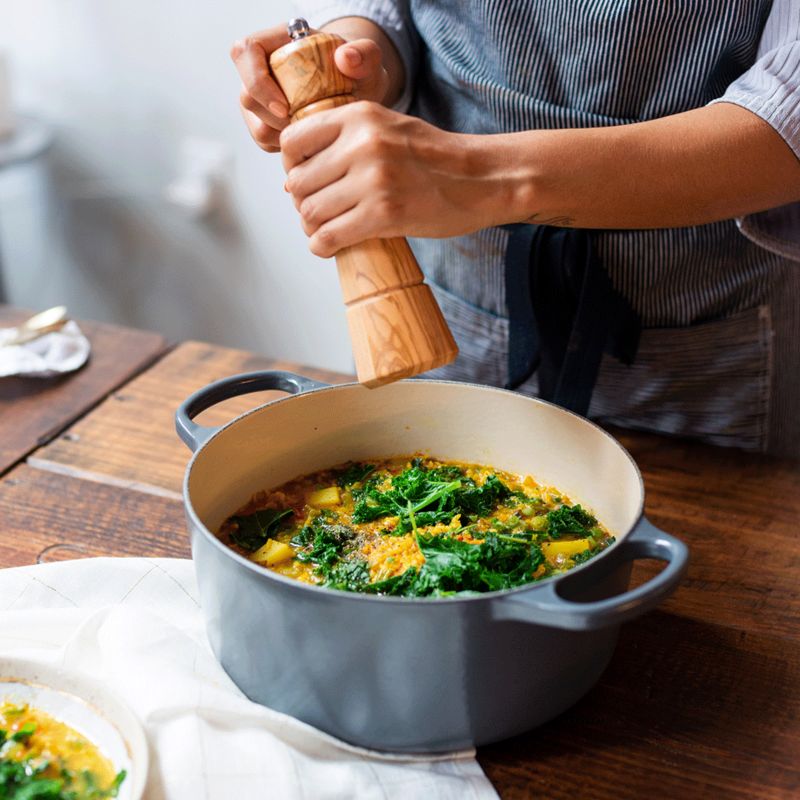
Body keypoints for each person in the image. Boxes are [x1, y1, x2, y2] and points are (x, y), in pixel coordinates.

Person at [231, 1, 800, 457]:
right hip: (455, 292)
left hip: (699, 343)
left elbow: (783, 125)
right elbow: (403, 13)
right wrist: (356, 57)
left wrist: (484, 178)